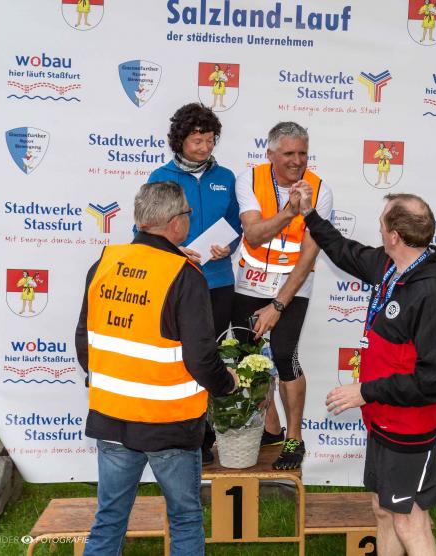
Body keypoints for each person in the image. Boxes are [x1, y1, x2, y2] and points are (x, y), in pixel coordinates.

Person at [75, 181, 238, 555]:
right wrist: (226, 384)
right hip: (170, 424)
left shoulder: (105, 263)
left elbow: (84, 340)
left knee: (109, 519)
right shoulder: (184, 274)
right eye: (188, 214)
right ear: (176, 222)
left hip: (112, 416)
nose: (189, 220)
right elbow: (201, 359)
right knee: (185, 519)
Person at [299, 189, 436, 556]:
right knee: (384, 510)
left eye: (382, 222)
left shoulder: (433, 294)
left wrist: (365, 391)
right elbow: (343, 251)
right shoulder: (390, 266)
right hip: (384, 420)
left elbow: (433, 380)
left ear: (394, 236)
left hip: (409, 426)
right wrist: (309, 214)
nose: (378, 228)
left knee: (409, 521)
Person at [230, 121, 333, 470]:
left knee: (286, 355)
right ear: (270, 153)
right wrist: (289, 211)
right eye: (289, 153)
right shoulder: (249, 179)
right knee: (247, 355)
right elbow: (254, 235)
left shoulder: (320, 190)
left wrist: (278, 304)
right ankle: (271, 428)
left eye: (303, 153)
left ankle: (295, 438)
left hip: (293, 285)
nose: (297, 160)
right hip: (249, 282)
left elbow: (308, 255)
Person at [147, 103, 241, 464]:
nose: (205, 147)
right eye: (197, 141)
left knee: (209, 358)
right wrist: (173, 248)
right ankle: (180, 431)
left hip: (218, 282)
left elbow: (237, 224)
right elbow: (145, 226)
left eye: (210, 140)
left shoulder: (227, 177)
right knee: (181, 358)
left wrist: (228, 246)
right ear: (180, 141)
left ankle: (205, 436)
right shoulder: (160, 177)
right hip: (176, 281)